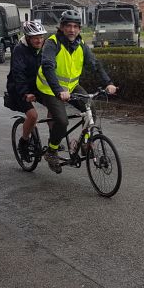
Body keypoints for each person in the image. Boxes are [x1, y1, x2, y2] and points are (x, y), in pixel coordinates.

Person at [37, 10, 117, 173]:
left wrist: (108, 83)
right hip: (49, 89)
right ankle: (51, 151)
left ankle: (85, 144)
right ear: (62, 27)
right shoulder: (52, 44)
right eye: (68, 26)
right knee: (62, 120)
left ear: (79, 29)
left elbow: (95, 65)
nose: (72, 30)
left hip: (71, 88)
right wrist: (58, 90)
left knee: (91, 111)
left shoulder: (81, 45)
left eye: (75, 26)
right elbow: (48, 67)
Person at [6, 20, 47, 162]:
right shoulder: (19, 50)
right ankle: (24, 143)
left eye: (41, 37)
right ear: (28, 38)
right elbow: (18, 74)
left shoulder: (43, 49)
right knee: (33, 116)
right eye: (36, 37)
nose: (39, 40)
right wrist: (25, 93)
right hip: (19, 88)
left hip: (37, 86)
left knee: (55, 107)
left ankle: (54, 143)